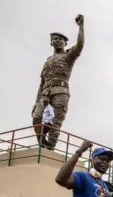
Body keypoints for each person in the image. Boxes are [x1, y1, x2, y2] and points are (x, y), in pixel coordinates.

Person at [32, 14, 85, 150]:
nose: (57, 41)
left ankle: (49, 148)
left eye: (60, 39)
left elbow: (79, 46)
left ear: (65, 43)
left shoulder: (68, 56)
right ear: (51, 43)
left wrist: (81, 26)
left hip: (61, 92)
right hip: (45, 93)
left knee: (56, 123)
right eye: (55, 39)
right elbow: (41, 83)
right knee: (37, 117)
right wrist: (36, 101)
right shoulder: (47, 61)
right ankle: (42, 142)